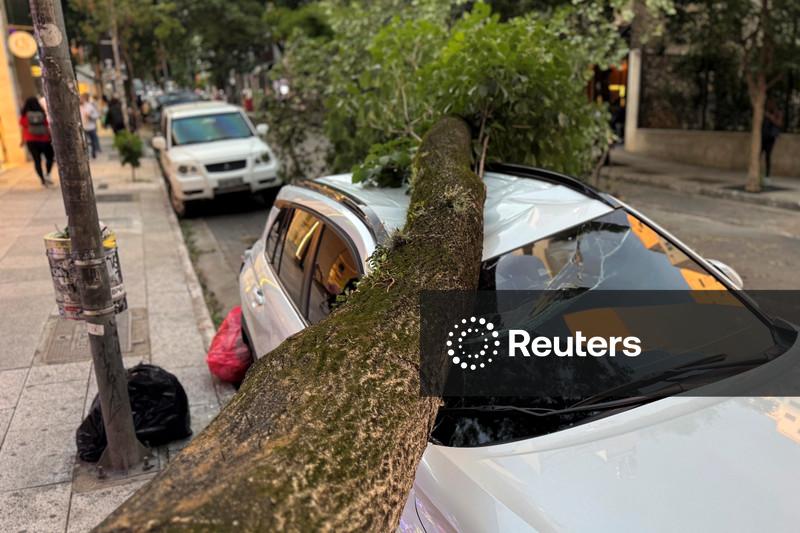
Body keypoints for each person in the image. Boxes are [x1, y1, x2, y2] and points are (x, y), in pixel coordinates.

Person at [19, 96, 55, 187]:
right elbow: (47, 126)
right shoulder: (41, 113)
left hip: (31, 140)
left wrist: (22, 140)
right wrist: (51, 136)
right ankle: (48, 174)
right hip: (44, 139)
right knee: (50, 158)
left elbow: (23, 128)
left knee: (37, 160)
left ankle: (42, 180)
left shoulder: (24, 115)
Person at [761, 99, 783, 179]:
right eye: (768, 104)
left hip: (770, 138)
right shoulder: (764, 112)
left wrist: (770, 117)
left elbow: (779, 123)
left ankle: (767, 175)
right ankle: (757, 173)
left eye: (771, 104)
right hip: (762, 137)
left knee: (768, 156)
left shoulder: (777, 113)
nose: (769, 105)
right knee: (758, 155)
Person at [80, 93, 101, 158]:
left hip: (91, 127)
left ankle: (93, 152)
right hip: (83, 127)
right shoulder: (78, 107)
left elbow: (96, 115)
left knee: (93, 141)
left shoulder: (90, 106)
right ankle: (86, 154)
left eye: (82, 98)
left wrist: (90, 116)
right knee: (84, 142)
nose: (81, 100)